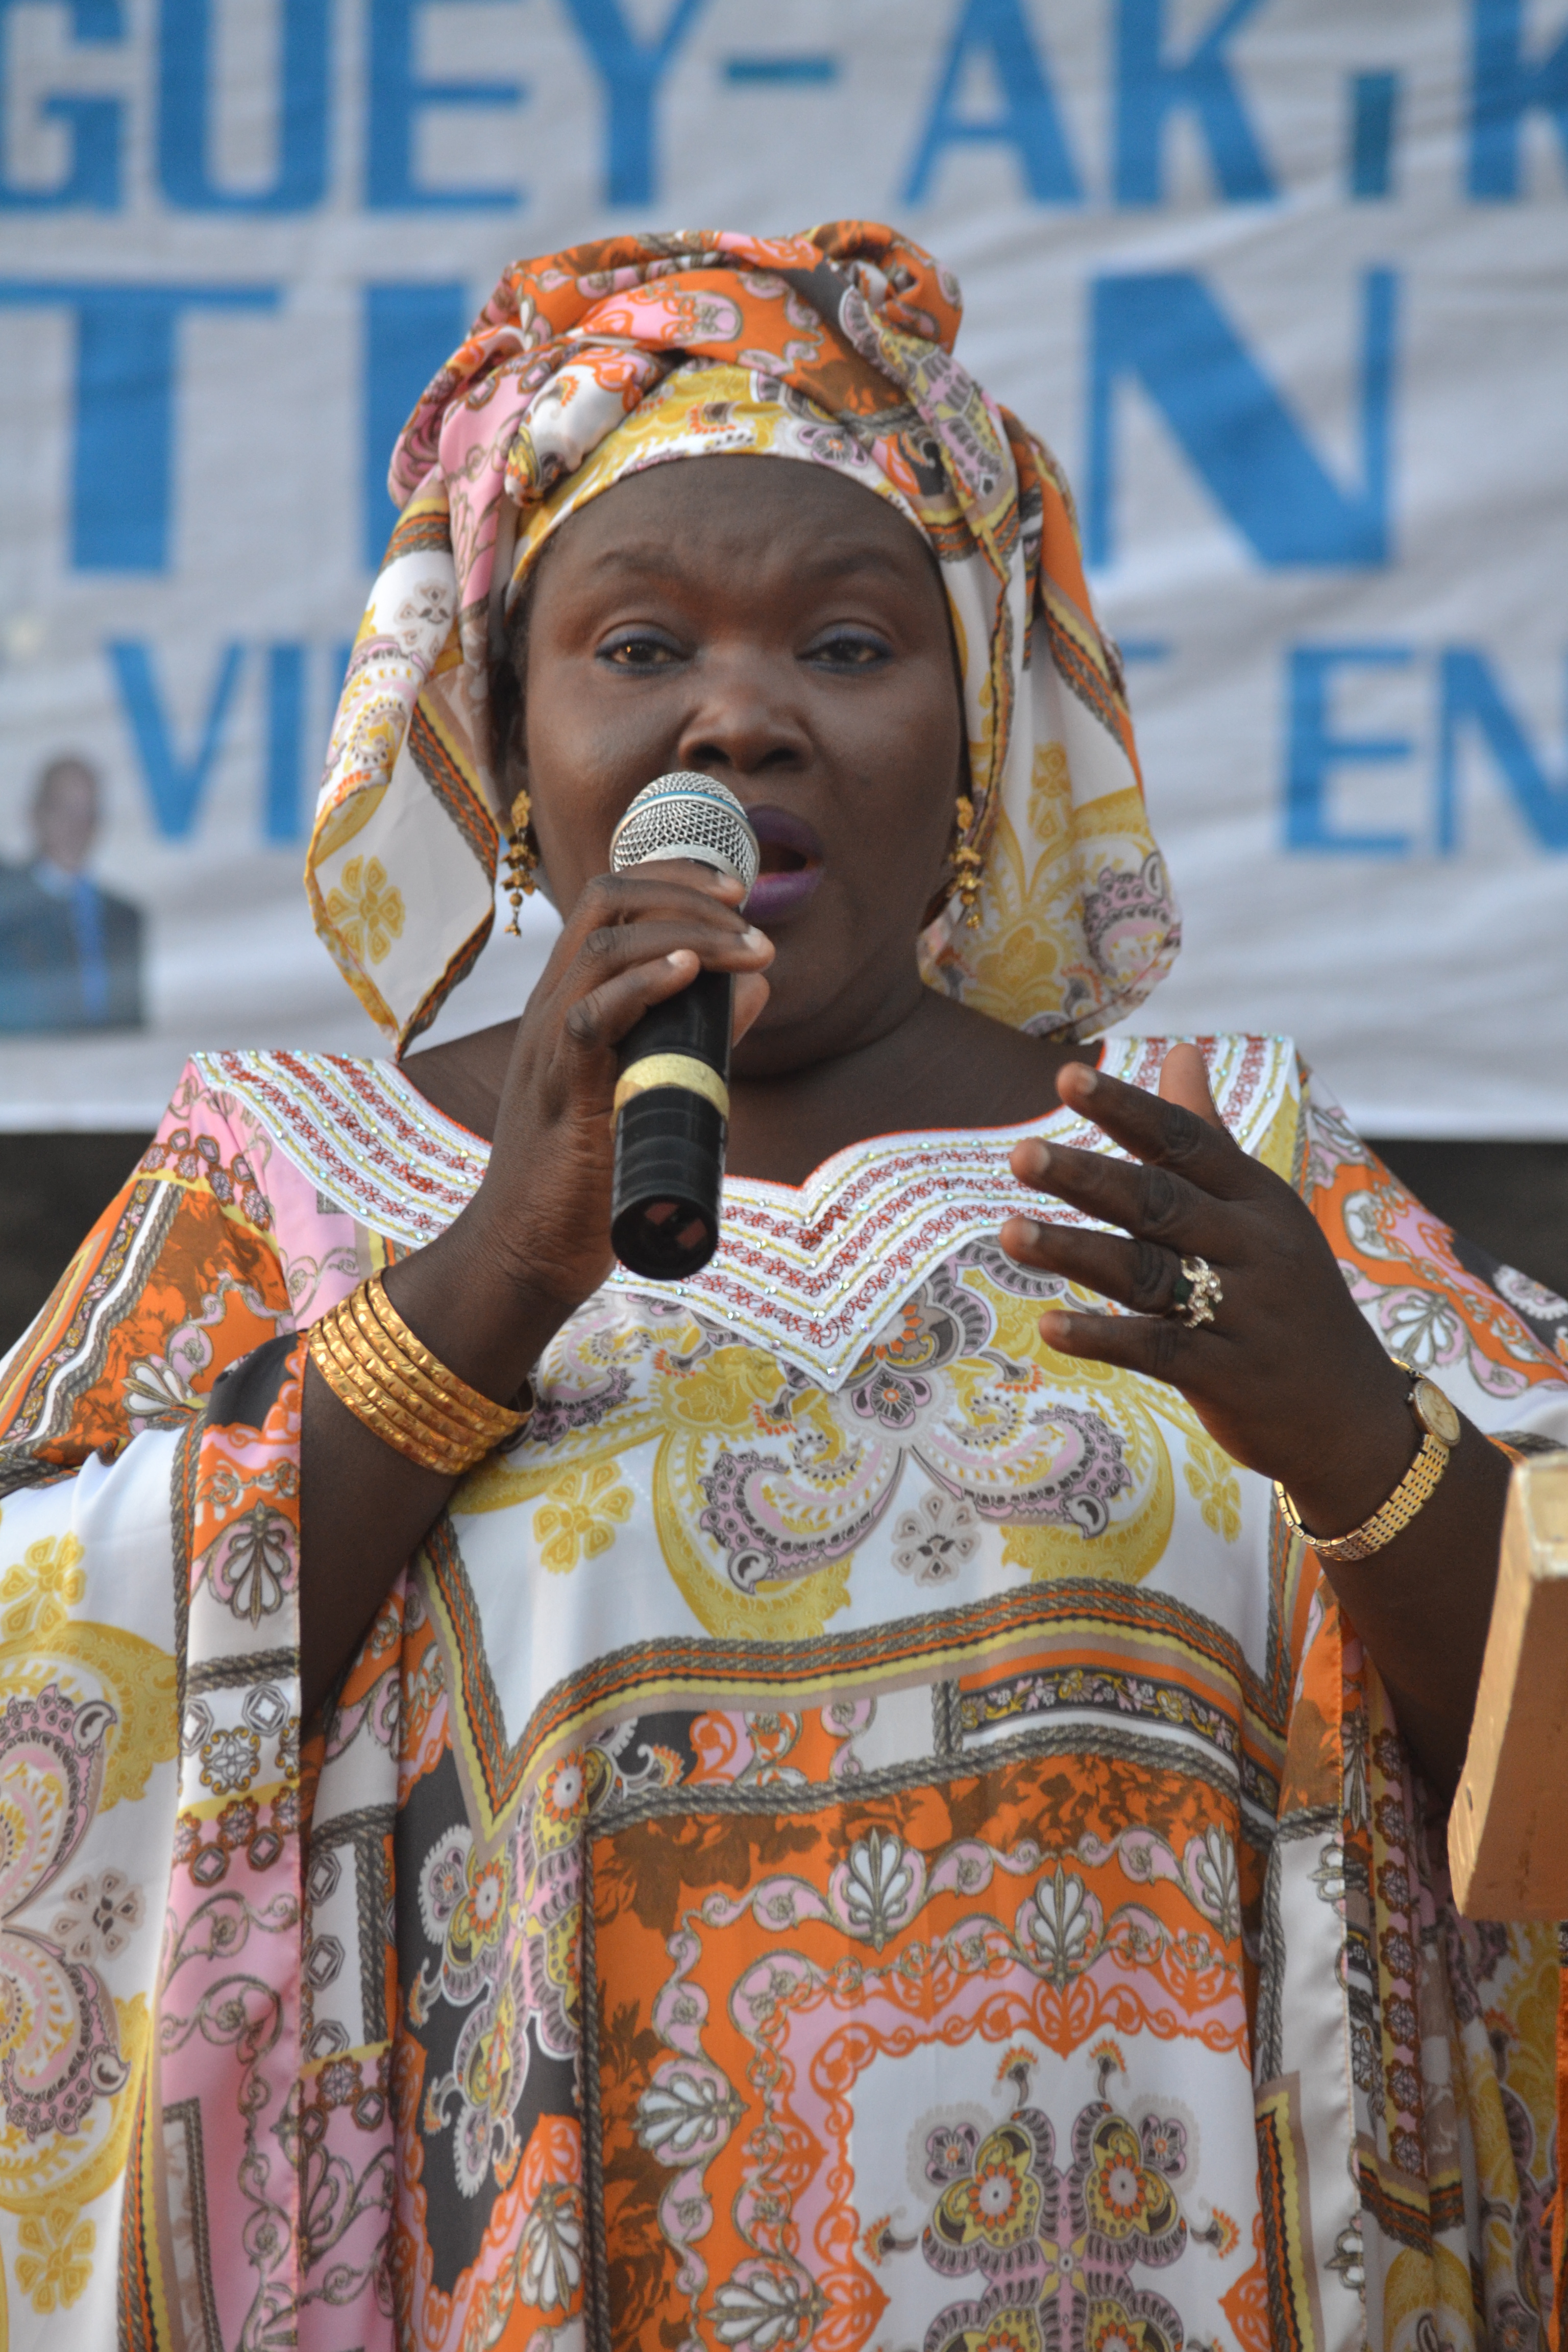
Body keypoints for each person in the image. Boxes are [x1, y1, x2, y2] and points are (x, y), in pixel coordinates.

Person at [1, 223, 1564, 2352]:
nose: (742, 719)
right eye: (639, 651)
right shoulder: (278, 1177)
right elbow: (38, 1729)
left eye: (847, 648)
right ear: (508, 741)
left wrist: (1366, 1451)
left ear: (979, 735)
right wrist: (485, 1279)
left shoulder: (1226, 1160)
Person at [0, 754, 145, 1031]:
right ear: (37, 813)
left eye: (87, 813)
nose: (76, 827)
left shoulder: (125, 918)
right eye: (64, 810)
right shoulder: (7, 901)